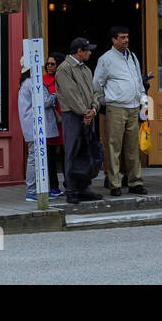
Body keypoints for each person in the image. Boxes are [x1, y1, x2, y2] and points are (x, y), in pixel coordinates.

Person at [92, 26, 147, 196]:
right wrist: (105, 101)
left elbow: (138, 80)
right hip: (115, 107)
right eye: (122, 37)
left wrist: (143, 102)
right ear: (113, 40)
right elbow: (97, 84)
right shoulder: (105, 59)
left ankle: (135, 181)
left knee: (132, 147)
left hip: (133, 106)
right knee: (114, 146)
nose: (126, 40)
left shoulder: (132, 56)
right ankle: (114, 183)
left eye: (127, 37)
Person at [55, 37, 102, 203]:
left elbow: (95, 92)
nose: (90, 52)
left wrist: (94, 109)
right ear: (79, 51)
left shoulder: (86, 70)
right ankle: (72, 189)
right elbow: (70, 94)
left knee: (87, 152)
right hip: (73, 116)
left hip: (88, 115)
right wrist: (85, 112)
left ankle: (83, 186)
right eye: (87, 50)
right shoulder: (64, 69)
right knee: (73, 152)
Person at [19, 55, 62, 201]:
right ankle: (32, 191)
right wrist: (55, 96)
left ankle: (41, 189)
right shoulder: (33, 82)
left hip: (31, 125)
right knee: (35, 157)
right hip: (35, 125)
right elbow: (44, 101)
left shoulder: (25, 82)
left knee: (36, 157)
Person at [43, 54, 64, 193]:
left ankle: (70, 184)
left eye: (53, 64)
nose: (49, 66)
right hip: (51, 123)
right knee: (50, 157)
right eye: (48, 64)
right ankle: (53, 186)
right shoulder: (43, 80)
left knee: (65, 156)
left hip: (64, 122)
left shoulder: (64, 79)